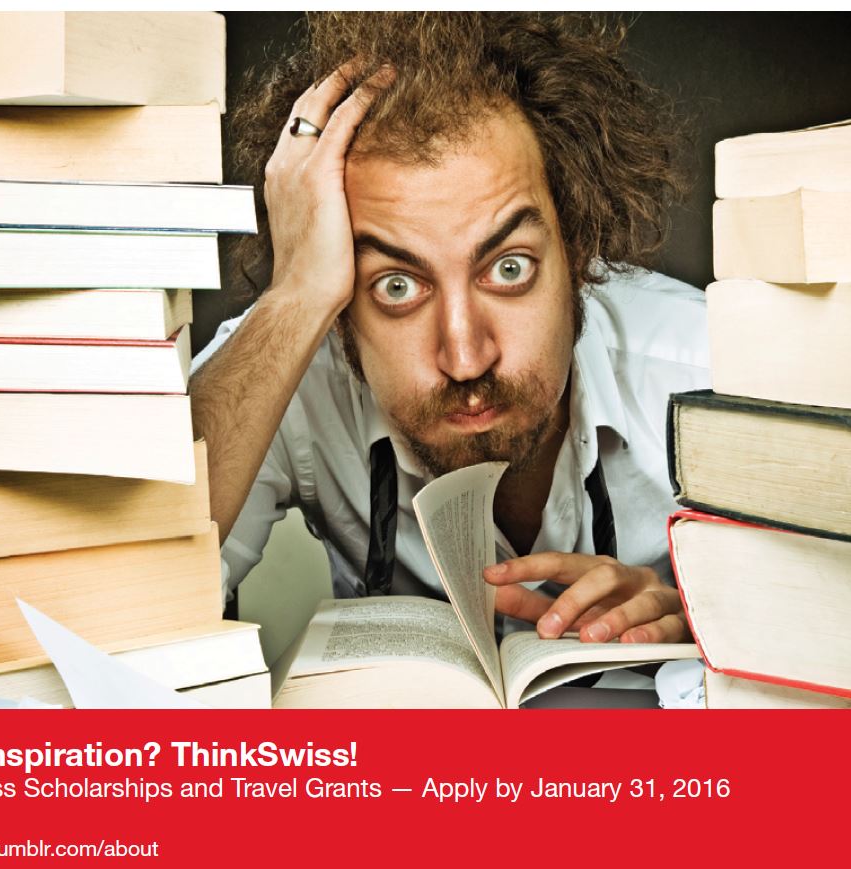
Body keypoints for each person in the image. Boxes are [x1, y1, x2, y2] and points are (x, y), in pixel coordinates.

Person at [191, 12, 709, 645]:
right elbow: (128, 586)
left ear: (578, 249)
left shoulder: (710, 373)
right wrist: (294, 299)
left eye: (509, 269)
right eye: (397, 286)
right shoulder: (292, 364)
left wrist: (710, 624)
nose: (465, 357)